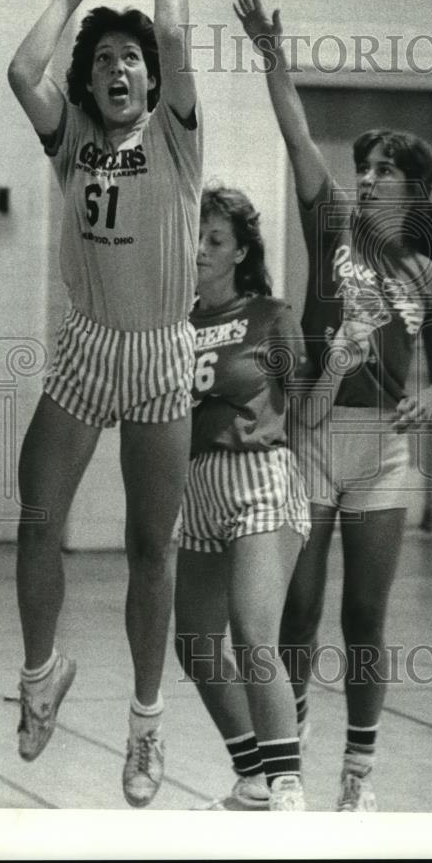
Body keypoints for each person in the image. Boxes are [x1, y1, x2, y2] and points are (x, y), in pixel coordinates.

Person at [233, 0, 432, 811]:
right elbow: (295, 133)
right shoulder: (328, 220)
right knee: (297, 611)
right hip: (312, 439)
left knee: (364, 617)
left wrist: (431, 399)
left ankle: (356, 781)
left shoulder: (430, 273)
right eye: (364, 168)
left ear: (413, 192)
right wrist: (272, 56)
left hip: (383, 452)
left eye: (383, 173)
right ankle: (282, 770)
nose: (365, 180)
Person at [6, 0, 202, 808]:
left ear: (150, 78)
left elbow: (175, 42)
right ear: (89, 84)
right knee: (37, 514)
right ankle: (42, 673)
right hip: (88, 348)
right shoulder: (71, 136)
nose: (122, 69)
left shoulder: (175, 133)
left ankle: (146, 726)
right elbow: (20, 70)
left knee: (147, 550)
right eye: (107, 62)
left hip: (162, 353)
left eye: (133, 60)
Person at [174, 186, 310, 811]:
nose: (200, 249)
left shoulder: (273, 315)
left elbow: (305, 408)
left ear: (241, 252)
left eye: (215, 240)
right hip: (196, 483)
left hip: (261, 475)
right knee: (196, 642)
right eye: (195, 237)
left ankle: (288, 789)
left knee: (255, 636)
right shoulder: (172, 322)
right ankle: (254, 774)